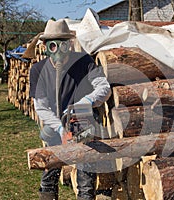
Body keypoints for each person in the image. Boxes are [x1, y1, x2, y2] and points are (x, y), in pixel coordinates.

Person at [29, 19, 112, 200]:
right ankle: (48, 193)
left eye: (63, 44)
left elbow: (104, 88)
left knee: (85, 165)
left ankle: (86, 195)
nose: (58, 50)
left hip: (82, 122)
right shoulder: (38, 70)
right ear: (45, 46)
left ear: (69, 44)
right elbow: (41, 107)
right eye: (53, 45)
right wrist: (60, 128)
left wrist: (86, 101)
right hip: (55, 124)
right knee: (50, 164)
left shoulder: (84, 62)